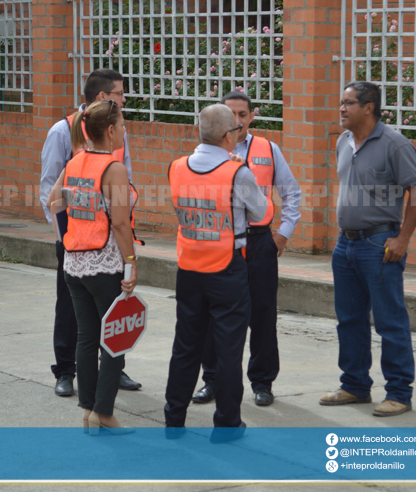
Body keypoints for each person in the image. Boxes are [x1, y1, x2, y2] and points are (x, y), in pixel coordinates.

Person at [319, 81, 416, 417]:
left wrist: (402, 239)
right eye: (341, 102)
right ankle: (354, 385)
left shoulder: (395, 144)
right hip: (345, 244)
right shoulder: (343, 141)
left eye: (348, 103)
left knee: (389, 321)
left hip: (380, 245)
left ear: (369, 107)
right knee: (349, 319)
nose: (342, 109)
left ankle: (398, 392)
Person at [192, 92, 301, 407]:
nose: (237, 121)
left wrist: (282, 235)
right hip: (220, 242)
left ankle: (262, 381)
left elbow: (291, 193)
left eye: (242, 114)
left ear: (252, 116)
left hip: (259, 242)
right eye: (231, 115)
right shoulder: (210, 152)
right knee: (216, 314)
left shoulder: (268, 149)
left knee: (263, 313)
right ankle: (212, 379)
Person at [164, 104, 267, 437]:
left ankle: (174, 420)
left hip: (189, 266)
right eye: (236, 130)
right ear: (228, 136)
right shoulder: (238, 172)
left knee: (186, 346)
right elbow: (262, 212)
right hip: (227, 269)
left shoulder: (177, 167)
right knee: (228, 349)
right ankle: (226, 424)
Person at [39, 69, 141, 397]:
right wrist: (65, 234)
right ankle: (68, 373)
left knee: (99, 322)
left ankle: (106, 378)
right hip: (80, 241)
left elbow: (64, 197)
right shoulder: (63, 132)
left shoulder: (103, 147)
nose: (124, 99)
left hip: (96, 243)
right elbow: (49, 194)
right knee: (80, 314)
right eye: (120, 94)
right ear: (102, 99)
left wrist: (90, 200)